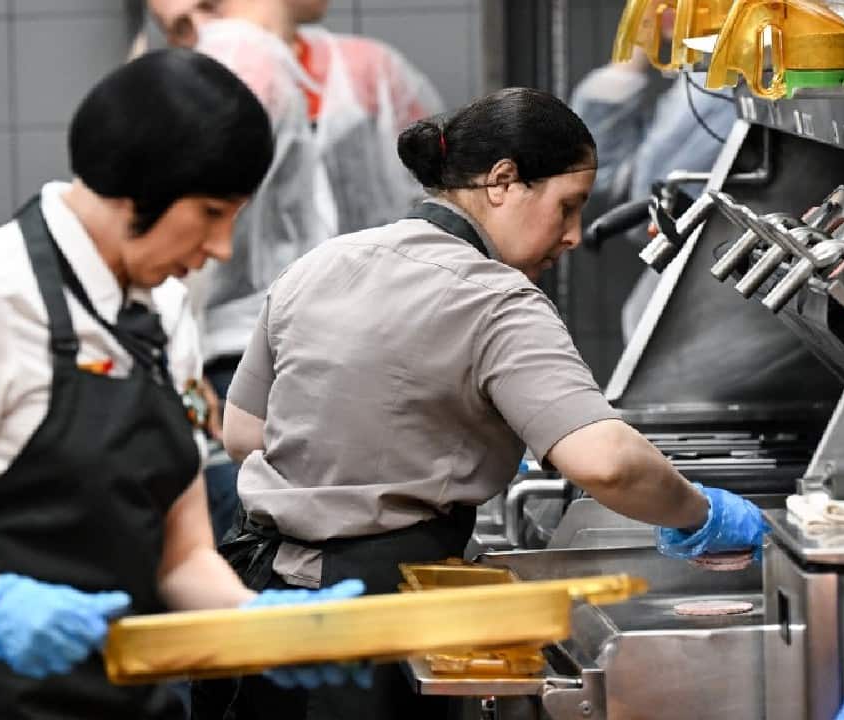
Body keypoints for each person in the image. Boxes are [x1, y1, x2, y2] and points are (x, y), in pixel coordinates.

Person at [200, 87, 767, 720]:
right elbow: (608, 463)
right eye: (568, 207)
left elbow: (244, 433)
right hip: (377, 620)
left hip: (259, 602)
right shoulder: (496, 297)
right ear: (503, 182)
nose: (575, 235)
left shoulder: (322, 263)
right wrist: (698, 513)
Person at [0, 49, 366, 719]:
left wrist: (261, 623)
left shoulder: (164, 312)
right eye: (211, 213)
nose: (222, 249)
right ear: (133, 190)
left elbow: (179, 559)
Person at [146, 0, 444, 543]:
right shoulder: (243, 61)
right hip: (244, 353)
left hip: (290, 345)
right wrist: (175, 356)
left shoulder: (345, 66)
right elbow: (167, 228)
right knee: (261, 548)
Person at [570, 44, 737, 341]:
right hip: (707, 254)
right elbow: (609, 171)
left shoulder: (715, 78)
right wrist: (634, 51)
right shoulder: (693, 84)